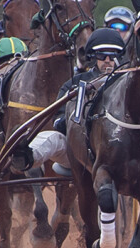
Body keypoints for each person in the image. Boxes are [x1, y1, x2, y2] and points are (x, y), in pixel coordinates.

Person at [11, 27, 126, 175]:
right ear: (92, 56)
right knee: (53, 138)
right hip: (80, 150)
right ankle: (26, 156)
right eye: (102, 55)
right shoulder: (75, 83)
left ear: (119, 57)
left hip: (120, 150)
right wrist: (73, 119)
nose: (108, 60)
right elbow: (58, 121)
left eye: (112, 55)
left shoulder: (126, 84)